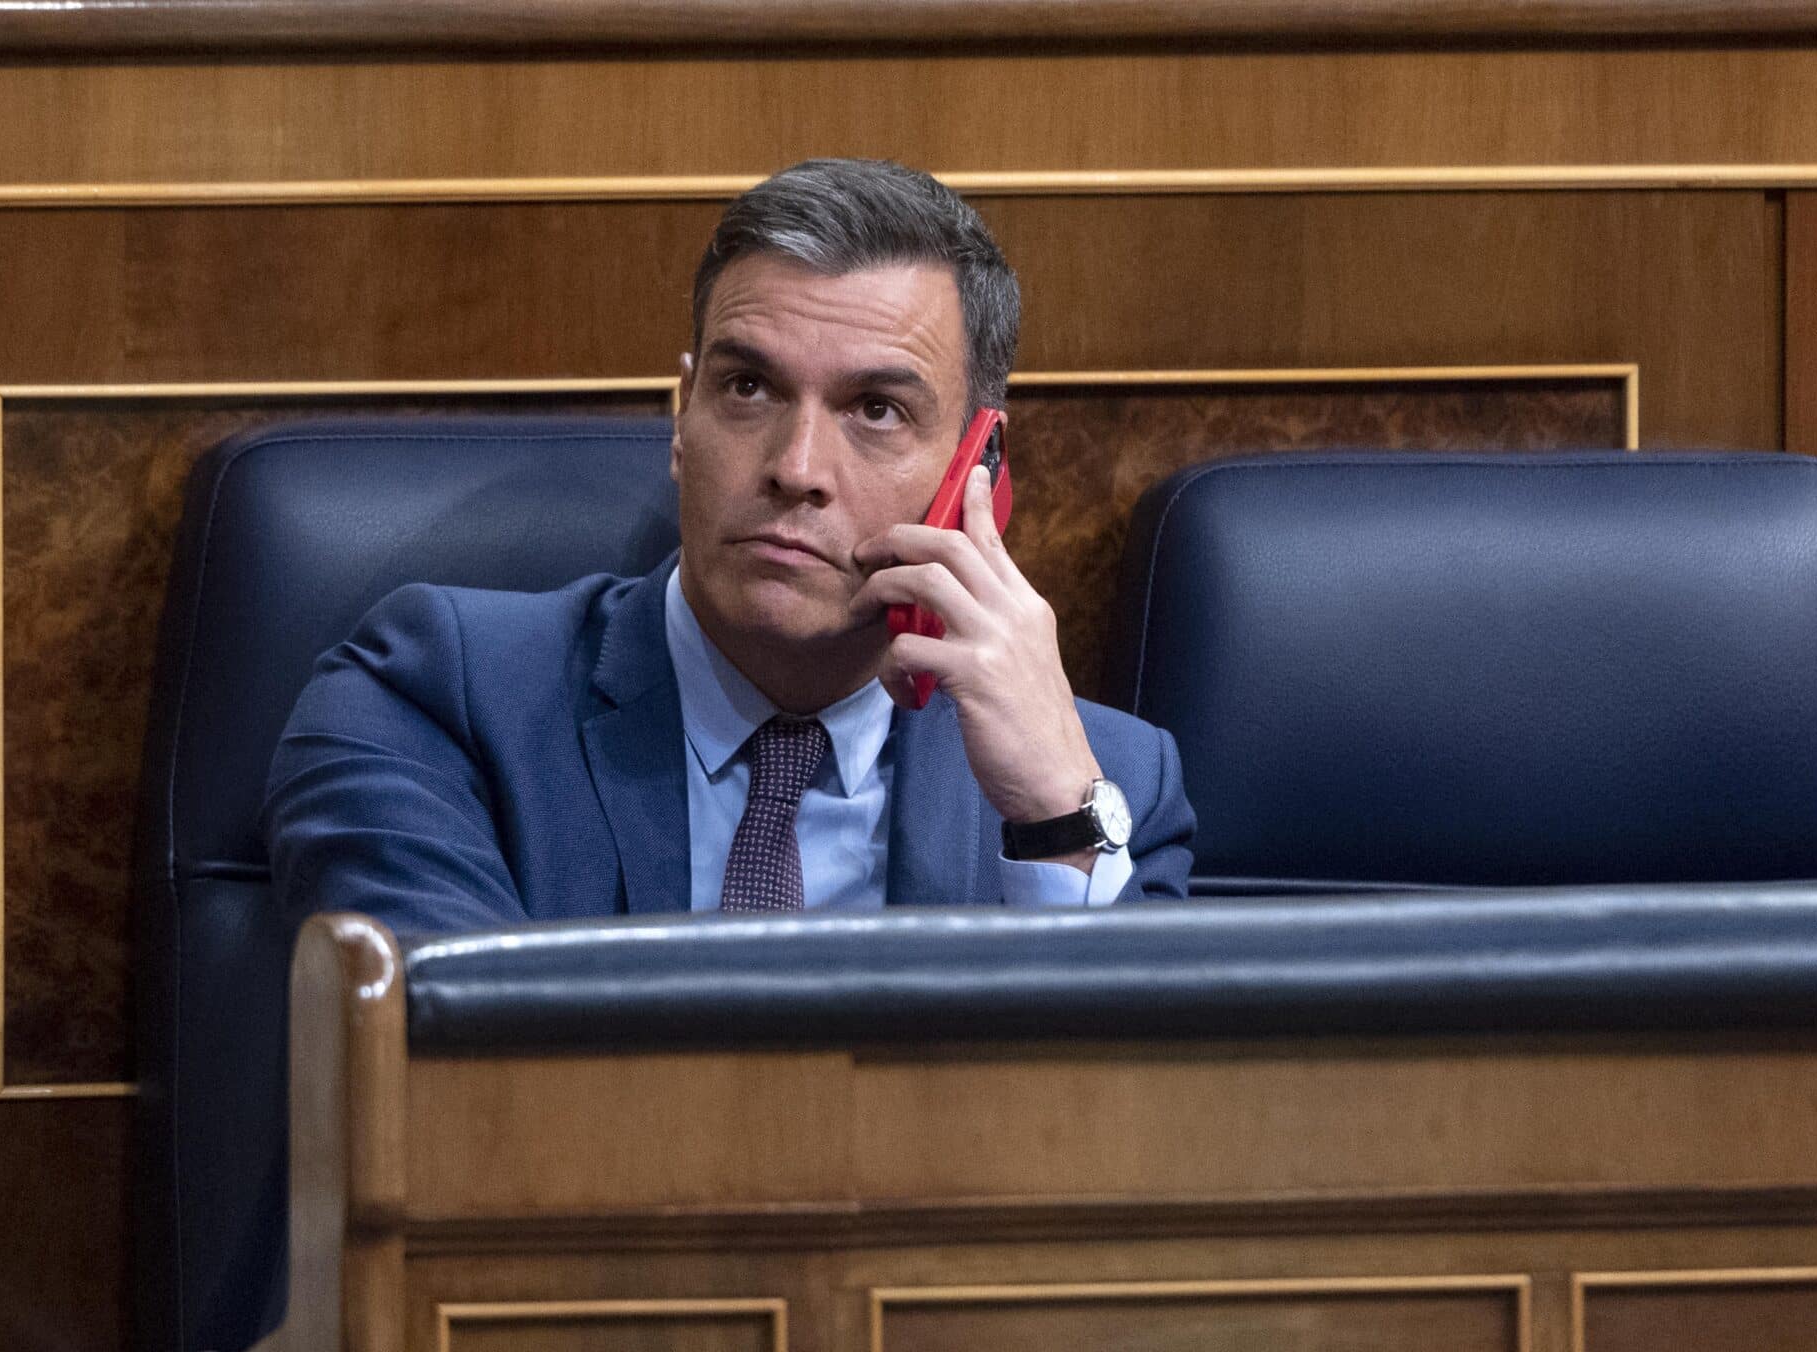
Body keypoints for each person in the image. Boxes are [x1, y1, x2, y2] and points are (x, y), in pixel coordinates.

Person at [264, 158, 1194, 934]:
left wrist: (1055, 829)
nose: (796, 468)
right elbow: (456, 1089)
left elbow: (1132, 1137)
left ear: (974, 472)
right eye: (748, 389)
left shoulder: (1113, 791)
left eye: (876, 410)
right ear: (682, 416)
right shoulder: (434, 697)